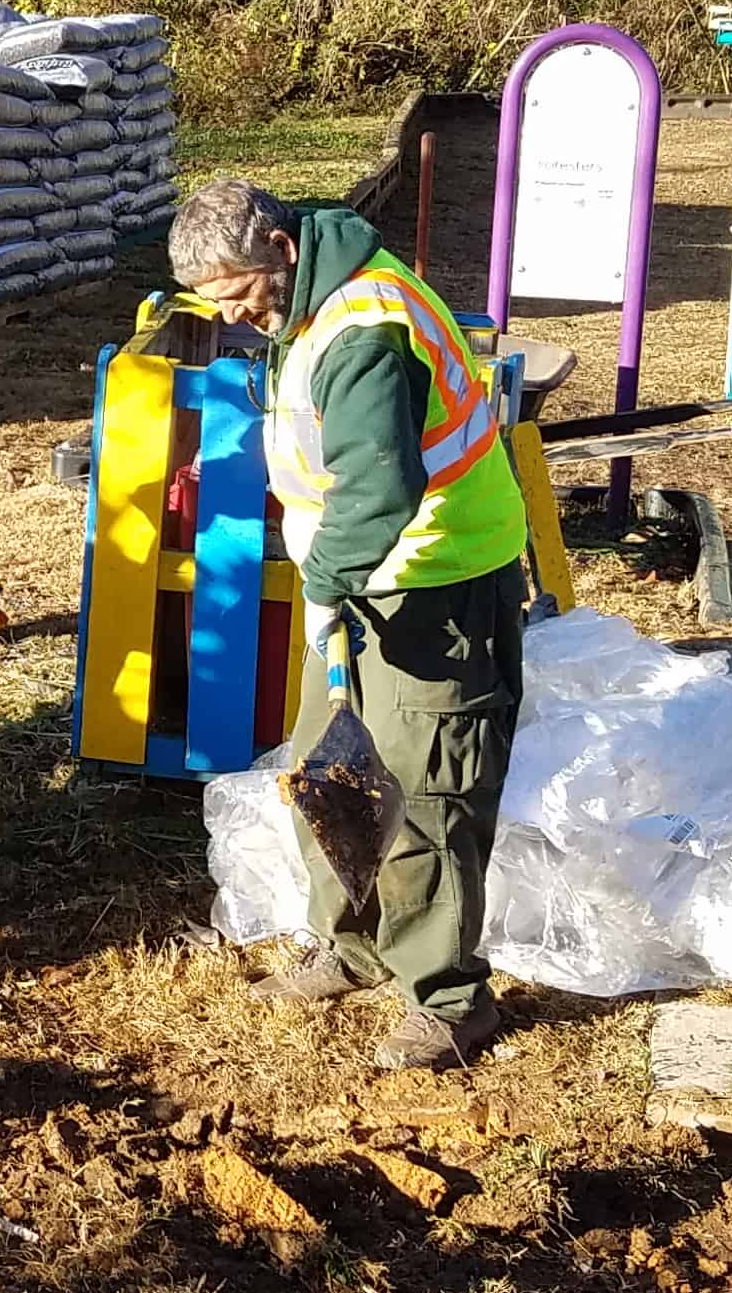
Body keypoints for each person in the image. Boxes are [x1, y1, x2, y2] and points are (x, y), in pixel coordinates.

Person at [167, 177, 531, 1072]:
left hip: (433, 587)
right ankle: (354, 945)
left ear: (281, 251)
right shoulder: (309, 306)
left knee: (429, 798)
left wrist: (325, 577)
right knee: (326, 771)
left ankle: (447, 998)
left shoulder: (365, 327)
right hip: (363, 585)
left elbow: (380, 489)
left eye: (239, 294)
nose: (238, 317)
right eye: (217, 303)